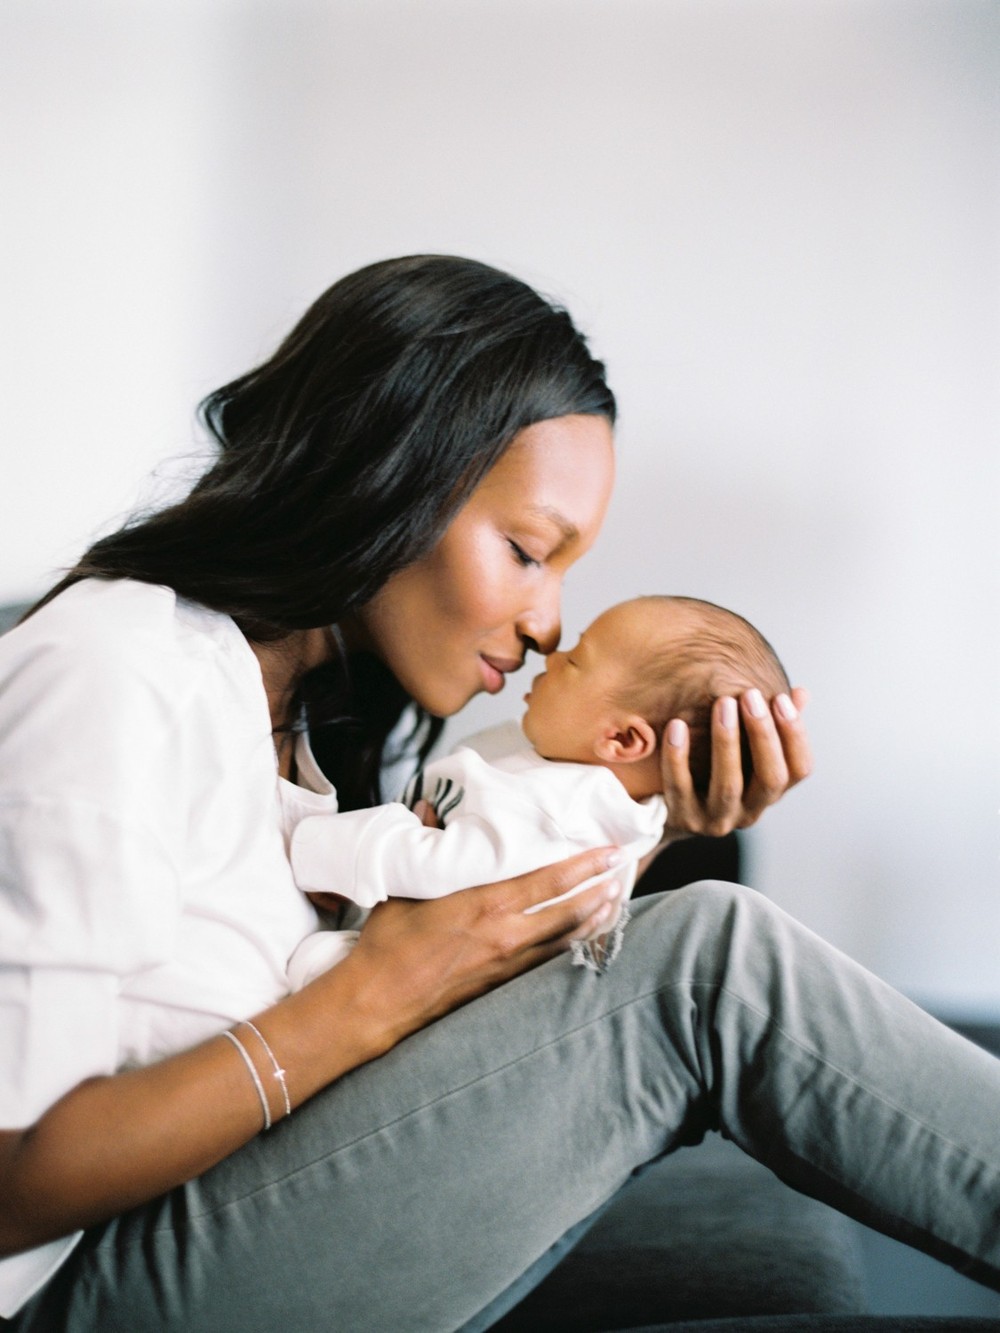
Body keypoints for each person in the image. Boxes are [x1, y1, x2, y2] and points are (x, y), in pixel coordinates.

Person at [0, 255, 996, 1333]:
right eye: (527, 551)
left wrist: (642, 812)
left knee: (698, 949)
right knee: (710, 966)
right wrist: (371, 996)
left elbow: (463, 939)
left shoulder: (302, 714)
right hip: (71, 1289)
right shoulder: (115, 673)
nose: (548, 624)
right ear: (386, 475)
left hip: (208, 1205)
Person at [286, 594, 790, 984]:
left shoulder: (557, 815)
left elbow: (439, 864)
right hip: (381, 921)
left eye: (575, 662)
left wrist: (326, 850)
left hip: (379, 962)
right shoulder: (559, 772)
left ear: (620, 738)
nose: (551, 653)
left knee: (308, 962)